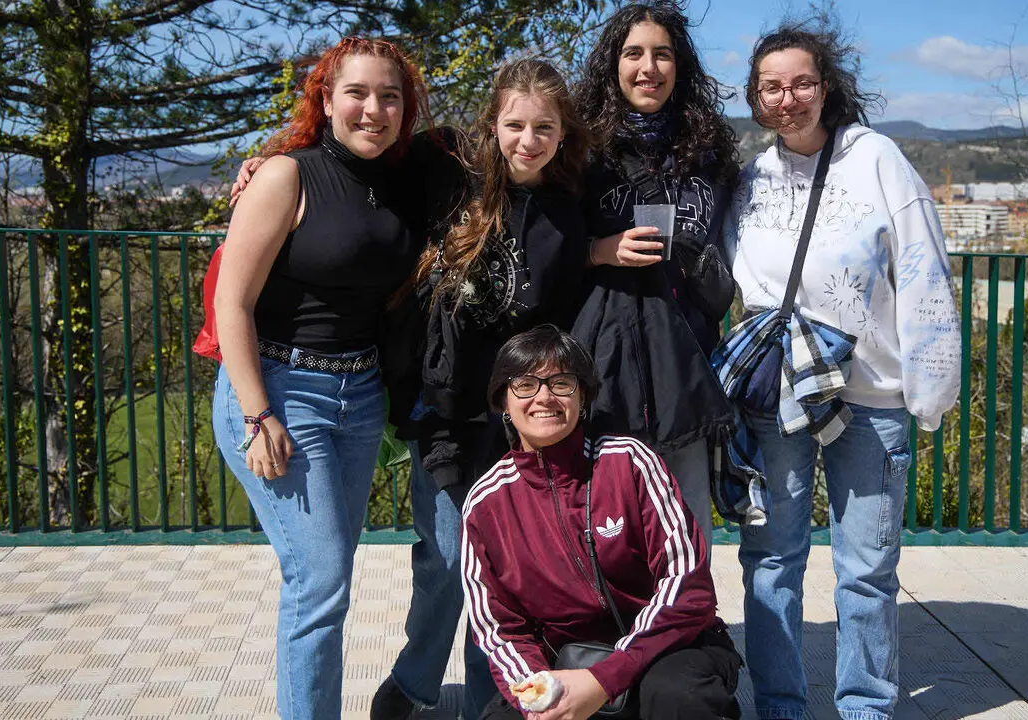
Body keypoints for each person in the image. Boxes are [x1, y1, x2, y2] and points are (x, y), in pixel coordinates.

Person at [723, 18, 961, 720]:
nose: (786, 98)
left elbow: (925, 270)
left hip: (871, 399)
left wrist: (930, 389)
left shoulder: (876, 158)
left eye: (801, 82)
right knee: (771, 562)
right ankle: (782, 708)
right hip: (779, 398)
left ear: (828, 87)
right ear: (755, 97)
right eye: (771, 86)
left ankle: (865, 708)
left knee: (867, 572)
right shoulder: (753, 177)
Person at [210, 37, 432, 719]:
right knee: (321, 582)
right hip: (280, 391)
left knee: (325, 579)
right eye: (358, 93)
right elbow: (232, 303)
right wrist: (257, 415)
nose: (374, 109)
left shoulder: (399, 183)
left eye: (389, 96)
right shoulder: (287, 176)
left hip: (359, 398)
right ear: (327, 99)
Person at [370, 59, 592, 720]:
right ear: (492, 124)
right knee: (442, 558)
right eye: (515, 124)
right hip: (442, 407)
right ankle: (413, 683)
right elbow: (360, 158)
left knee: (501, 571)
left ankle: (491, 700)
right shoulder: (445, 175)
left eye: (543, 127)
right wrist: (273, 161)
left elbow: (562, 315)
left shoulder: (564, 215)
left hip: (515, 421)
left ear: (561, 132)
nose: (528, 139)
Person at [462, 325, 742, 720]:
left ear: (584, 396)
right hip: (565, 662)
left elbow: (687, 586)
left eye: (561, 383)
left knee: (679, 698)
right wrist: (541, 696)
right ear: (503, 402)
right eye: (525, 384)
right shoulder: (486, 504)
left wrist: (604, 679)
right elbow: (500, 630)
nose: (544, 397)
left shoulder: (629, 462)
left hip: (668, 648)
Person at [572, 0, 741, 546]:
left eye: (662, 54)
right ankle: (621, 629)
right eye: (634, 53)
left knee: (689, 523)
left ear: (679, 65)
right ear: (613, 65)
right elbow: (543, 249)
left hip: (687, 357)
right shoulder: (582, 151)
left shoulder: (708, 150)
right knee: (613, 523)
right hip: (609, 361)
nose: (649, 67)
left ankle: (686, 625)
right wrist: (599, 250)